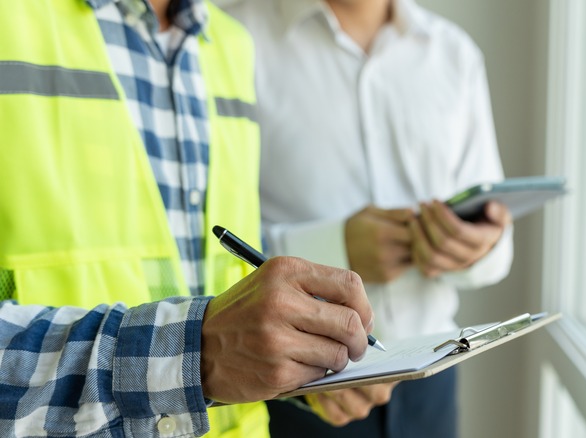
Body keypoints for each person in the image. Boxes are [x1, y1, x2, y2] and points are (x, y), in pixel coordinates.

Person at [0, 0, 379, 436]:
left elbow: (214, 281)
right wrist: (195, 353)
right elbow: (206, 340)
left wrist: (295, 353)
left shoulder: (229, 44)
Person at [222, 0, 514, 436]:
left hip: (432, 383)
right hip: (300, 383)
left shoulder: (455, 53)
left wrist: (476, 249)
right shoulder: (232, 38)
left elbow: (496, 239)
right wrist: (335, 248)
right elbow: (208, 236)